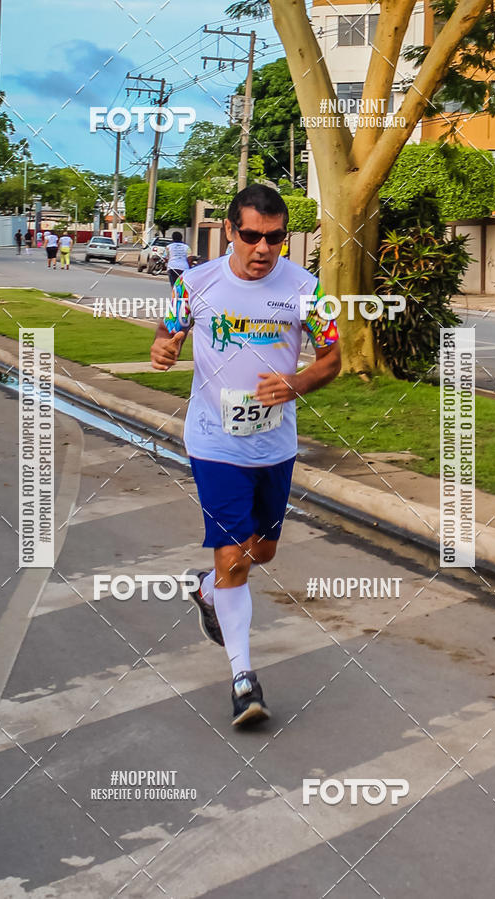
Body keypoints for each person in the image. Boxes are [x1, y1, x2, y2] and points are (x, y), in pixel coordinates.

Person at [150, 184, 341, 727]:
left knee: (263, 551)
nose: (263, 248)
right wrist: (163, 346)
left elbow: (332, 358)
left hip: (274, 444)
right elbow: (167, 333)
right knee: (234, 556)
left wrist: (296, 382)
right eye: (252, 235)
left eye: (275, 238)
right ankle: (243, 679)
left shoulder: (307, 290)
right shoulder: (195, 282)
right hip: (213, 441)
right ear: (231, 231)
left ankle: (209, 591)